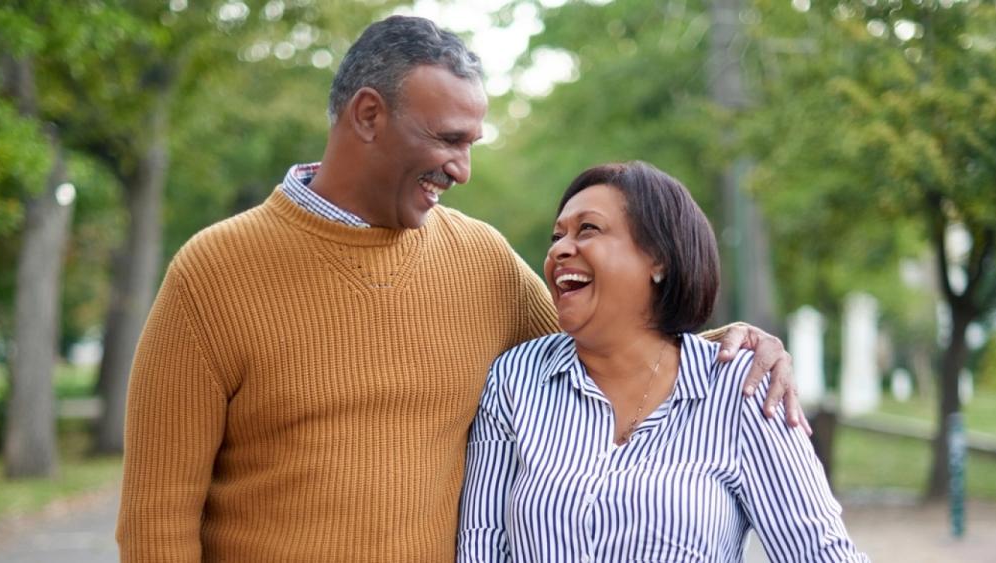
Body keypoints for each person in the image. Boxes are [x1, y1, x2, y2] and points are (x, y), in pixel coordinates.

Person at [116, 16, 804, 562]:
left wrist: (727, 346)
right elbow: (157, 520)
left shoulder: (482, 262)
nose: (463, 170)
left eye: (473, 142)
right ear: (367, 116)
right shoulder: (214, 273)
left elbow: (607, 347)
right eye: (449, 139)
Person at [457, 161, 865, 562]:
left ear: (659, 260)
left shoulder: (744, 387)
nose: (559, 248)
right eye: (557, 235)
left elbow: (819, 553)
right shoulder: (515, 379)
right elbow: (482, 545)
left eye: (588, 229)